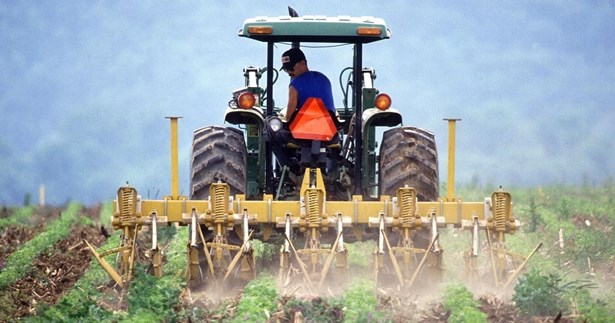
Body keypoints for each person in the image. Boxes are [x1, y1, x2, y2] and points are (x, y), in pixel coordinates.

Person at [268, 47, 336, 172]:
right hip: (329, 133)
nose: (289, 72)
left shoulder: (294, 85)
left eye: (291, 68)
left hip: (302, 136)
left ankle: (289, 168)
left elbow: (288, 117)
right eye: (286, 69)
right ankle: (333, 170)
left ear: (303, 64)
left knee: (270, 132)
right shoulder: (324, 79)